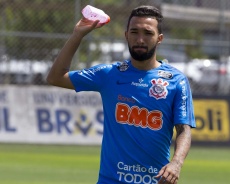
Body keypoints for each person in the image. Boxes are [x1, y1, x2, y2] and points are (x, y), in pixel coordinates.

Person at [47, 5, 196, 184]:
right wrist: (77, 35)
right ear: (126, 35)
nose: (140, 39)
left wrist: (176, 163)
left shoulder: (176, 80)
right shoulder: (109, 74)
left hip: (155, 181)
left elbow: (183, 129)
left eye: (148, 33)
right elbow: (55, 77)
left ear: (159, 39)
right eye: (134, 32)